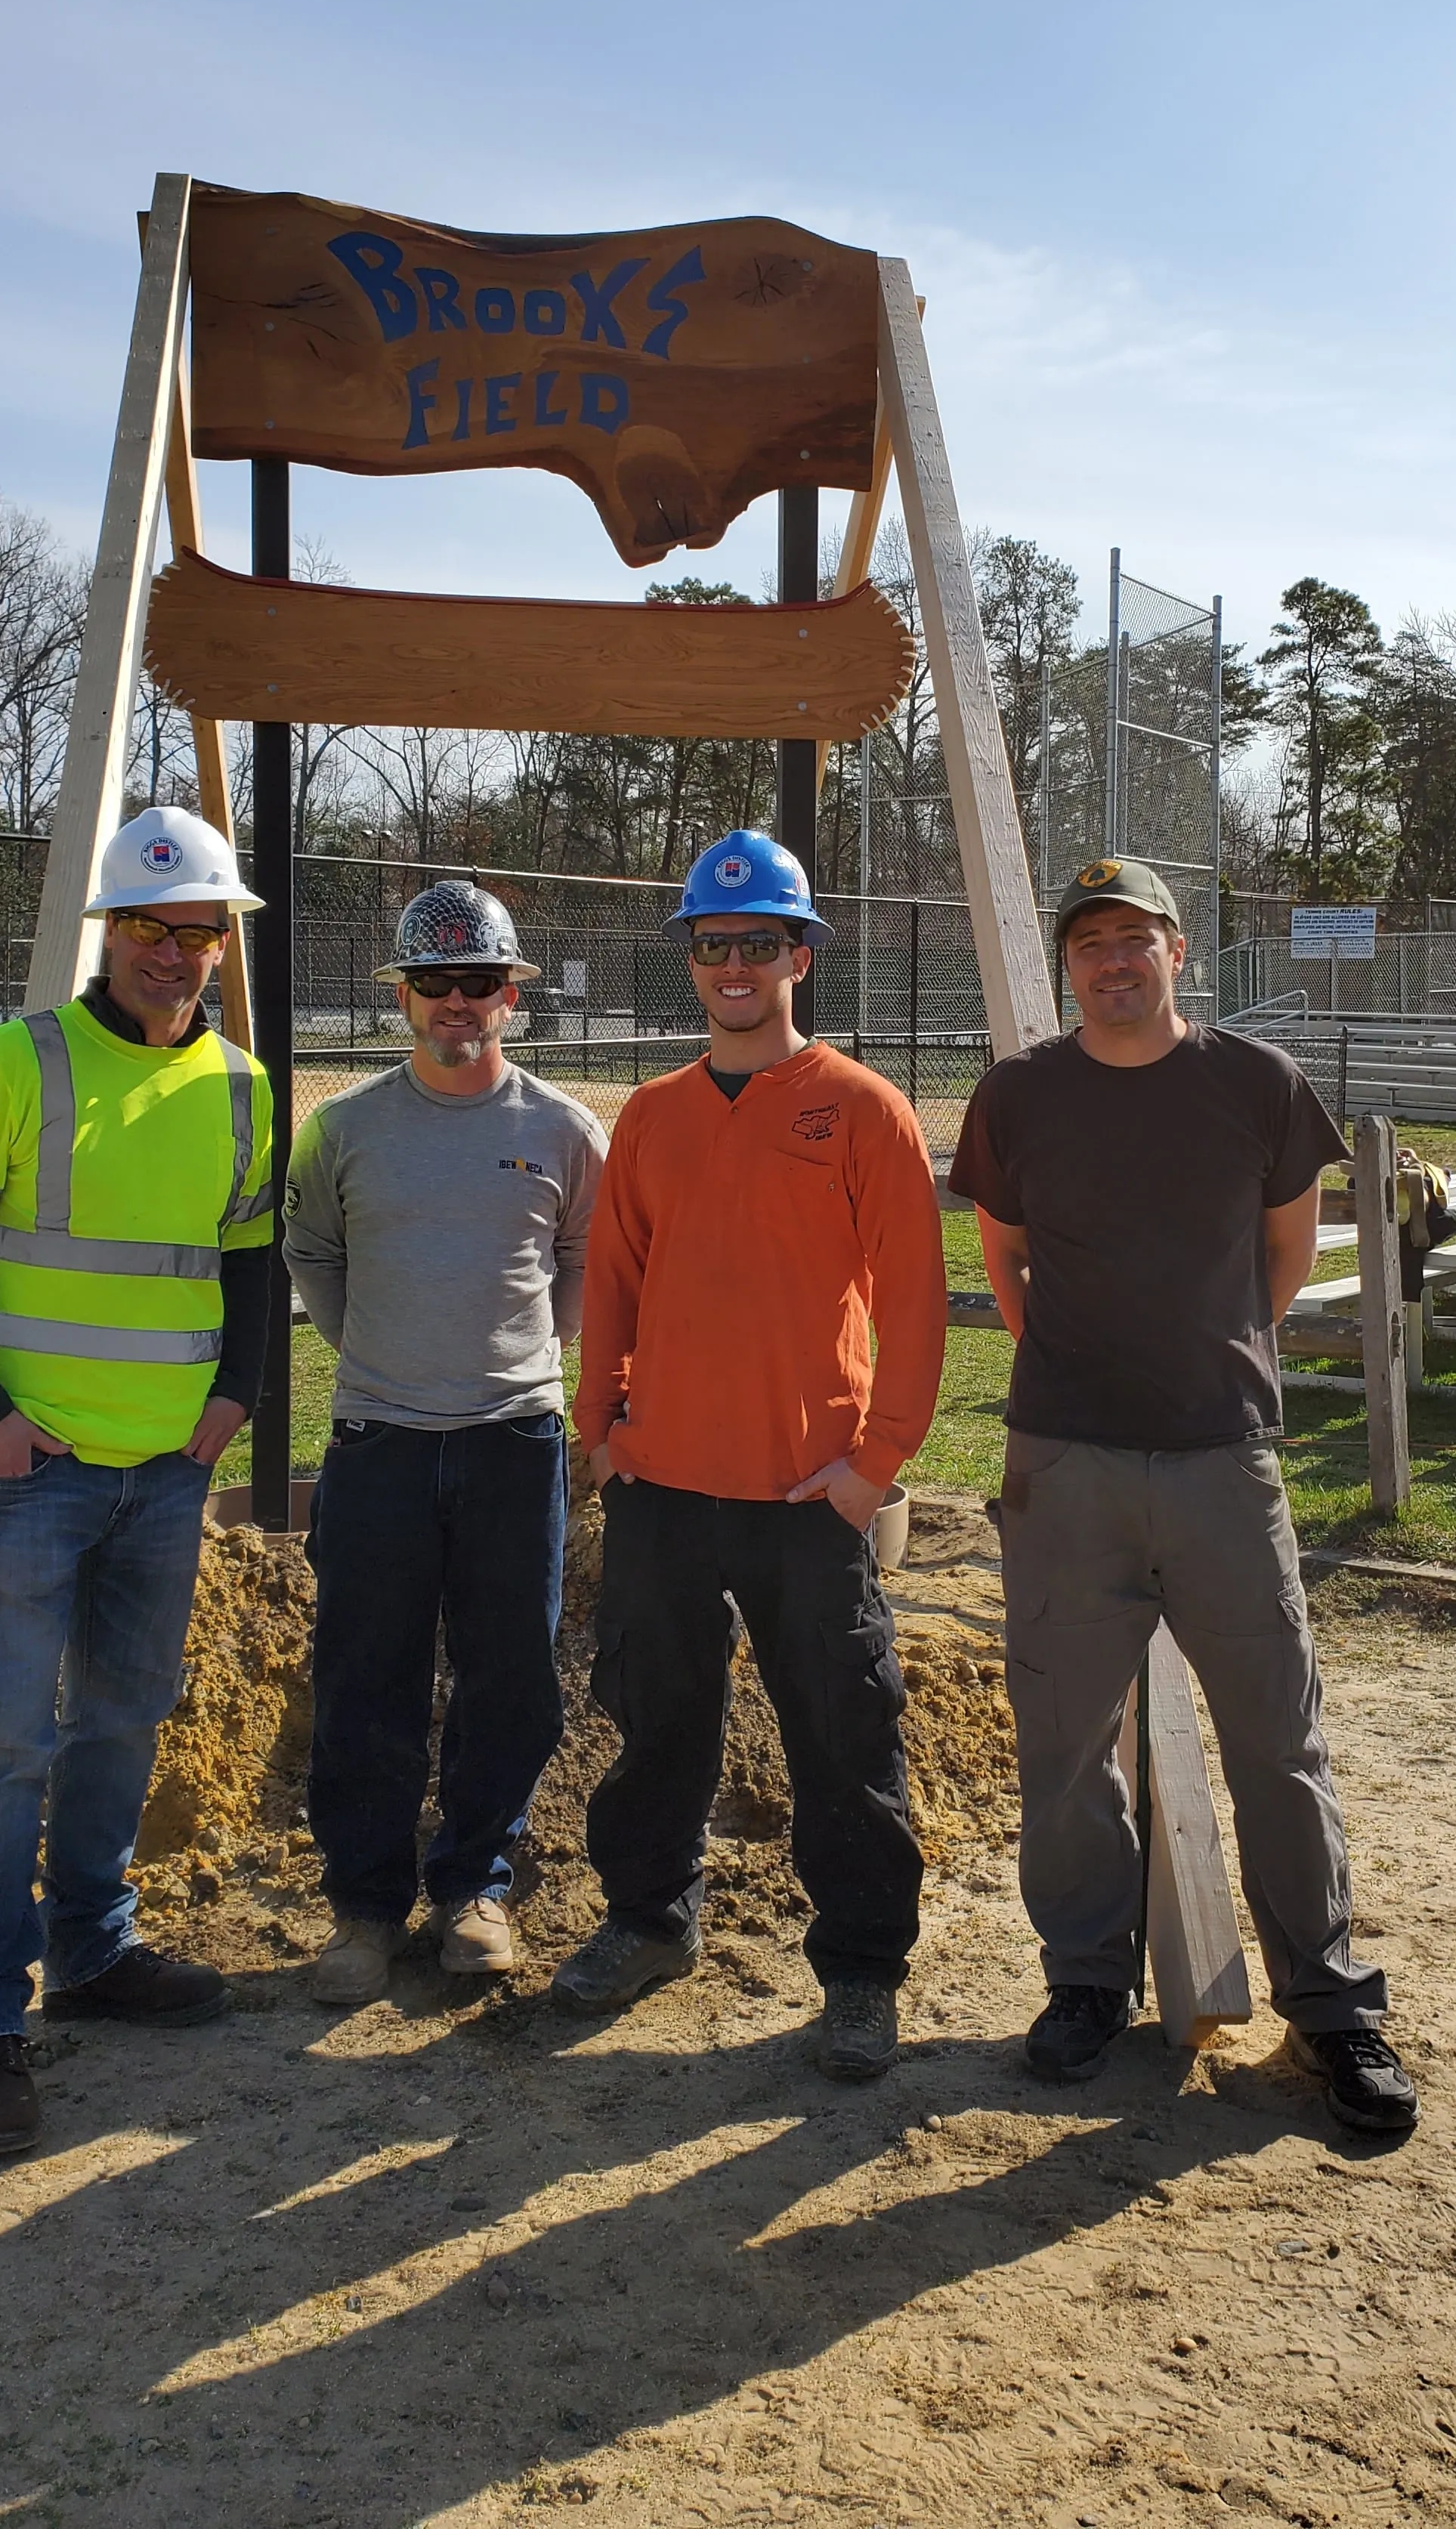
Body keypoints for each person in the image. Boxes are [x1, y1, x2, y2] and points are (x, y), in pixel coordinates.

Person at [947, 856, 1417, 2133]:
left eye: (1135, 938)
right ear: (1067, 966)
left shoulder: (1256, 1084)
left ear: (1177, 951)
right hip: (1066, 1466)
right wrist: (1086, 1370)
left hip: (1222, 1460)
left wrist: (1212, 1362)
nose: (1112, 961)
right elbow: (1003, 1254)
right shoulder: (1020, 1096)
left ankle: (1330, 2008)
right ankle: (1086, 1981)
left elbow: (1288, 1247)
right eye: (1088, 942)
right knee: (1064, 1747)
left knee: (1278, 1738)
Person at [0, 804, 274, 2162]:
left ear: (223, 944)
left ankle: (92, 1949)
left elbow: (248, 1261)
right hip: (28, 1470)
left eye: (198, 930)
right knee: (1, 1746)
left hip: (164, 1473)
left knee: (122, 1718)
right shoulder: (13, 1063)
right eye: (152, 928)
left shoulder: (239, 1086)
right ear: (110, 931)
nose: (174, 953)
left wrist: (234, 1407)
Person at [555, 830, 947, 2083]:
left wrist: (873, 1466)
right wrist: (603, 1430)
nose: (735, 965)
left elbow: (918, 1302)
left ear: (802, 956)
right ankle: (649, 1922)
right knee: (655, 1720)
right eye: (713, 945)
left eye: (760, 944)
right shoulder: (656, 1117)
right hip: (666, 1484)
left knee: (844, 1732)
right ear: (691, 960)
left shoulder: (861, 1109)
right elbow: (610, 1281)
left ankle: (861, 1972)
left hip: (804, 1494)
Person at [280, 882, 605, 1998]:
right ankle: (365, 1912)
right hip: (381, 1442)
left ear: (512, 996)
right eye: (435, 985)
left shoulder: (563, 1129)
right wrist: (385, 1350)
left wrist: (518, 1355)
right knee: (367, 1673)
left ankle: (476, 1887)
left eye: (479, 984)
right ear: (404, 998)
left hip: (515, 1440)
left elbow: (583, 1264)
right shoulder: (343, 1129)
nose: (457, 1004)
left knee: (509, 1674)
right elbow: (314, 1259)